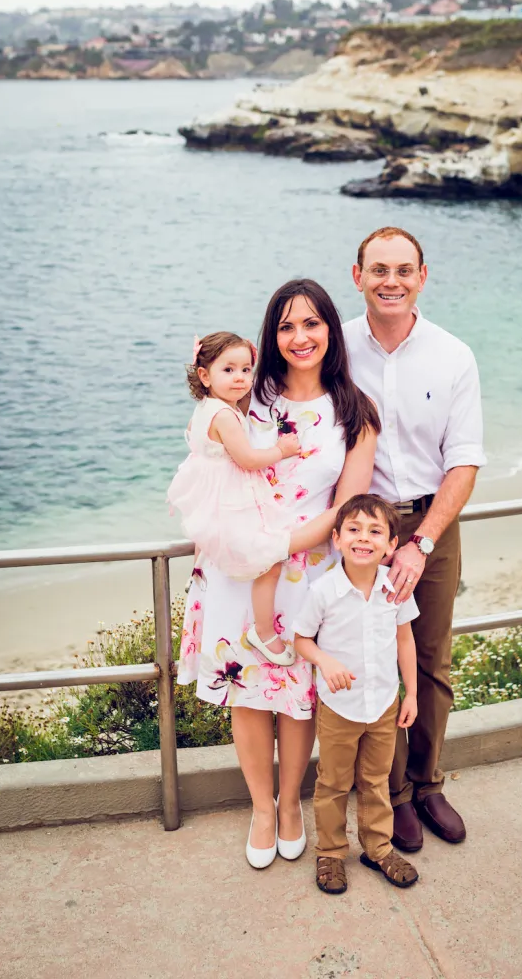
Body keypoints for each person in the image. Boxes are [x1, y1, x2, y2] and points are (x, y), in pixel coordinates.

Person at [177, 280, 380, 869]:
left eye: (311, 324)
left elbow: (349, 507)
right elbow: (211, 462)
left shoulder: (355, 411)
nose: (299, 338)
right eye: (287, 326)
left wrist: (286, 544)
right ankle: (261, 809)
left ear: (330, 332)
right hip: (239, 565)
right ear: (273, 335)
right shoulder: (248, 396)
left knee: (296, 697)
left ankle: (292, 803)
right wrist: (252, 542)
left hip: (308, 570)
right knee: (248, 693)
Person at [343, 226, 486, 853]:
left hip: (432, 526)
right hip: (358, 532)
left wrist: (422, 541)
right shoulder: (334, 348)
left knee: (430, 662)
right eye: (379, 270)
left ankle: (427, 785)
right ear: (358, 276)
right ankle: (390, 794)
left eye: (404, 270)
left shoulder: (454, 355)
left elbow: (464, 462)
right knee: (370, 662)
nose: (391, 281)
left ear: (422, 277)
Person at [168, 330, 352, 666]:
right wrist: (280, 450)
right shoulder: (224, 415)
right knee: (268, 559)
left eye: (245, 370)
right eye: (228, 370)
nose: (239, 378)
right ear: (204, 376)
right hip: (231, 502)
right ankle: (263, 630)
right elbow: (248, 459)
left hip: (216, 501)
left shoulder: (211, 408)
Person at [294, 494, 420, 895]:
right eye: (354, 529)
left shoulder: (395, 589)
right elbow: (301, 639)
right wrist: (324, 662)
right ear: (336, 538)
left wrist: (411, 694)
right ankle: (330, 852)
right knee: (332, 782)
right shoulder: (323, 590)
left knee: (376, 779)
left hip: (384, 703)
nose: (363, 538)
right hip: (339, 708)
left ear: (391, 545)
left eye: (375, 531)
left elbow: (405, 640)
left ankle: (378, 847)